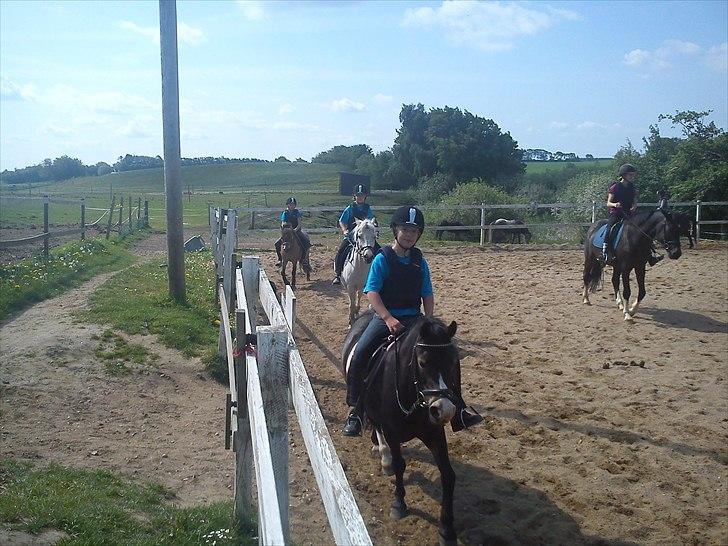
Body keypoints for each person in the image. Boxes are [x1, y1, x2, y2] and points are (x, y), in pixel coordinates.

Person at [342, 205, 483, 437]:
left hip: (414, 318)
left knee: (448, 354)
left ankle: (460, 410)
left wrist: (428, 321)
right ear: (395, 230)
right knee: (361, 353)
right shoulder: (382, 258)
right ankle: (356, 411)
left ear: (419, 234)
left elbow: (427, 293)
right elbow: (372, 293)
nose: (408, 234)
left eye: (413, 231)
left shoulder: (420, 261)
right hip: (384, 318)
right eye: (404, 229)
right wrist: (387, 318)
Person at [603, 164, 663, 266]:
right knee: (609, 229)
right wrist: (615, 204)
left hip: (629, 214)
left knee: (643, 230)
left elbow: (634, 200)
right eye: (630, 175)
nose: (632, 177)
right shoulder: (615, 187)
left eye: (633, 175)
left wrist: (634, 205)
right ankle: (605, 252)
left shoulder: (632, 187)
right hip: (617, 213)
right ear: (623, 175)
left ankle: (651, 255)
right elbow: (608, 203)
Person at [332, 184, 378, 284]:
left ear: (365, 196)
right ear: (355, 196)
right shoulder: (350, 208)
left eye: (362, 195)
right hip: (351, 236)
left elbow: (371, 221)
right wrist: (344, 230)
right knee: (341, 251)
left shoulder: (367, 208)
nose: (360, 197)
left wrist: (373, 229)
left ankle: (378, 273)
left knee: (378, 250)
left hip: (365, 236)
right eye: (358, 195)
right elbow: (342, 221)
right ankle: (338, 274)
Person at [275, 197, 310, 266]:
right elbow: (283, 223)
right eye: (291, 204)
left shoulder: (297, 212)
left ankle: (303, 258)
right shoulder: (285, 213)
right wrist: (286, 230)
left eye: (293, 204)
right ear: (288, 205)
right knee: (277, 243)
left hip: (296, 230)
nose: (292, 206)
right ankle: (280, 259)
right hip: (287, 231)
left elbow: (299, 224)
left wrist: (295, 230)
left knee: (306, 242)